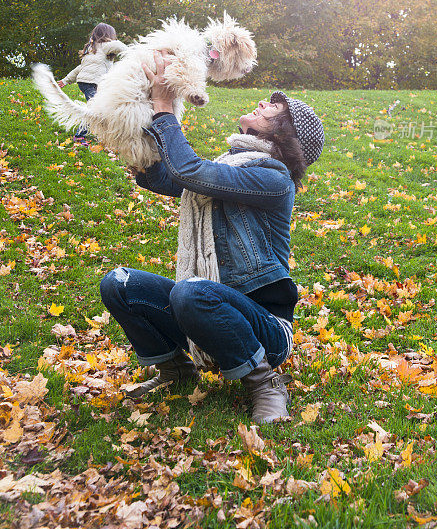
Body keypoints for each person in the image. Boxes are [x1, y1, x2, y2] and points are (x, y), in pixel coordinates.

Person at [100, 51, 325, 423]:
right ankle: (176, 370)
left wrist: (164, 107)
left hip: (263, 327)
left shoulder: (274, 179)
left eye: (272, 108)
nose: (262, 103)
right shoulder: (229, 166)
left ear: (285, 132)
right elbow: (169, 177)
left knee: (191, 291)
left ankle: (264, 382)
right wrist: (133, 129)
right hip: (205, 308)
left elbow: (189, 171)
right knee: (119, 284)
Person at [58, 23, 127, 146]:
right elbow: (119, 46)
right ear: (109, 36)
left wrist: (65, 80)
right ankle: (79, 136)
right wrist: (135, 54)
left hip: (85, 83)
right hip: (92, 83)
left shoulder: (90, 49)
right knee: (95, 110)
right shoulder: (106, 46)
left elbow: (80, 68)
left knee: (102, 108)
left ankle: (103, 133)